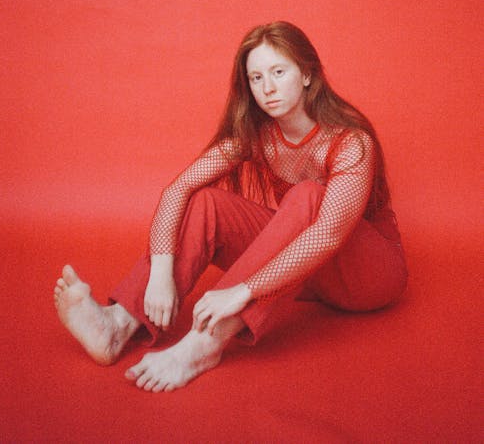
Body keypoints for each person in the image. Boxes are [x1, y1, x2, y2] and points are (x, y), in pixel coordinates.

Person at [54, 21, 408, 392]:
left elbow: (327, 235)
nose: (267, 88)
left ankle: (204, 344)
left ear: (306, 74)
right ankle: (118, 324)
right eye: (256, 78)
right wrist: (161, 269)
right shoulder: (256, 137)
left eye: (278, 72)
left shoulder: (352, 142)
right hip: (307, 276)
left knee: (306, 195)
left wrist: (243, 290)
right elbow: (180, 188)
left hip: (370, 276)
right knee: (207, 202)